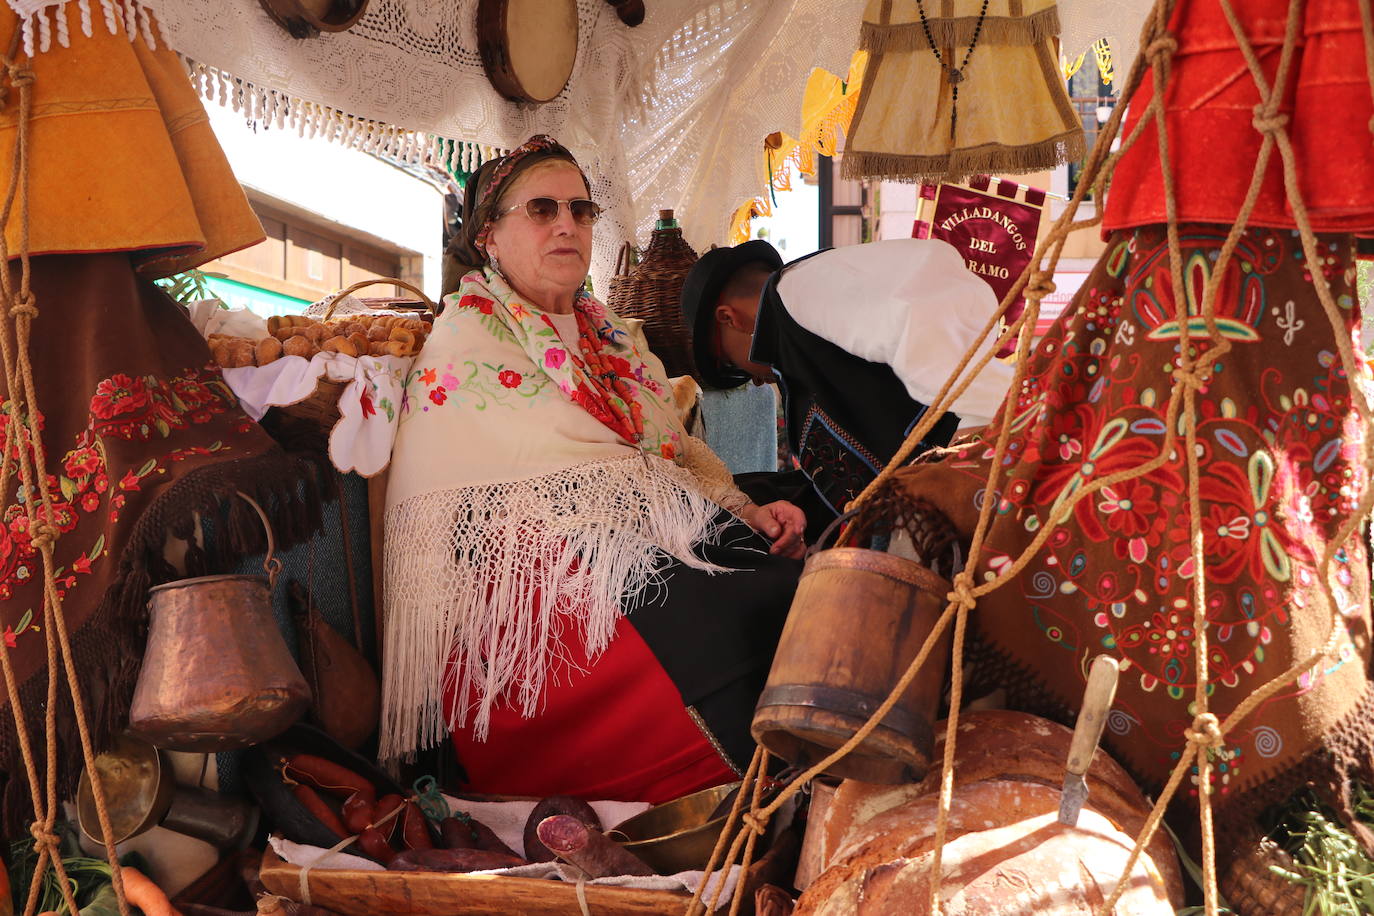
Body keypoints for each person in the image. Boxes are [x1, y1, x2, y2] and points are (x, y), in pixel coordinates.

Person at [380, 136, 805, 804]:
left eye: (580, 211)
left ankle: (791, 764)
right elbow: (554, 479)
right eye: (542, 209)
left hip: (632, 532)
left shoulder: (608, 333)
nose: (566, 225)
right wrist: (694, 516)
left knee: (781, 577)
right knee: (699, 606)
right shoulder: (466, 337)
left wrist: (747, 510)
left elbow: (671, 448)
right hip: (526, 578)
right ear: (488, 236)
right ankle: (719, 785)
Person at [680, 237, 1015, 522]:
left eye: (732, 367)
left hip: (978, 475)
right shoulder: (793, 335)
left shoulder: (803, 288)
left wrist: (973, 444)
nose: (753, 382)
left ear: (729, 318)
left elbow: (927, 329)